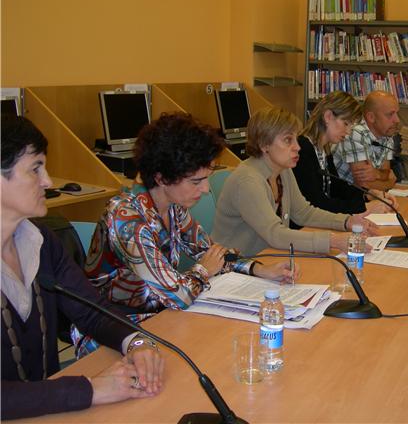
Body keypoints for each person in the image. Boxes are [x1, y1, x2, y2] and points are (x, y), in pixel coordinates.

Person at [80, 113, 293, 354]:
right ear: (161, 177)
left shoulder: (173, 207)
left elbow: (210, 252)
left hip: (160, 318)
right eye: (195, 181)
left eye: (206, 179)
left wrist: (260, 270)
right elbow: (178, 294)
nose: (204, 190)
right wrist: (204, 268)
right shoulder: (125, 219)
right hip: (114, 332)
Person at [1, 116, 164, 420]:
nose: (48, 181)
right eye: (36, 168)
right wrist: (90, 389)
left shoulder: (40, 242)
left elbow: (91, 310)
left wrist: (137, 342)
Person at [213, 107, 377, 257]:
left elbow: (303, 213)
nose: (297, 147)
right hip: (236, 269)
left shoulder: (282, 170)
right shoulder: (247, 180)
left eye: (296, 140)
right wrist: (333, 241)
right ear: (264, 144)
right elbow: (275, 234)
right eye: (287, 140)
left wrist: (347, 221)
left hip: (267, 259)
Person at [292, 91, 395, 224]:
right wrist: (363, 207)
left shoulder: (324, 149)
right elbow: (317, 202)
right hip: (305, 228)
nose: (348, 132)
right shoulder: (303, 149)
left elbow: (337, 188)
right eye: (346, 123)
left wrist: (368, 195)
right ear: (328, 116)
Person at [333, 90, 400, 191]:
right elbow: (363, 185)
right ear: (371, 117)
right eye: (390, 114)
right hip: (341, 198)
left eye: (396, 113)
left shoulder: (387, 136)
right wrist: (390, 183)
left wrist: (377, 174)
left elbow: (385, 172)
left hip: (363, 199)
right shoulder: (355, 133)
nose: (397, 120)